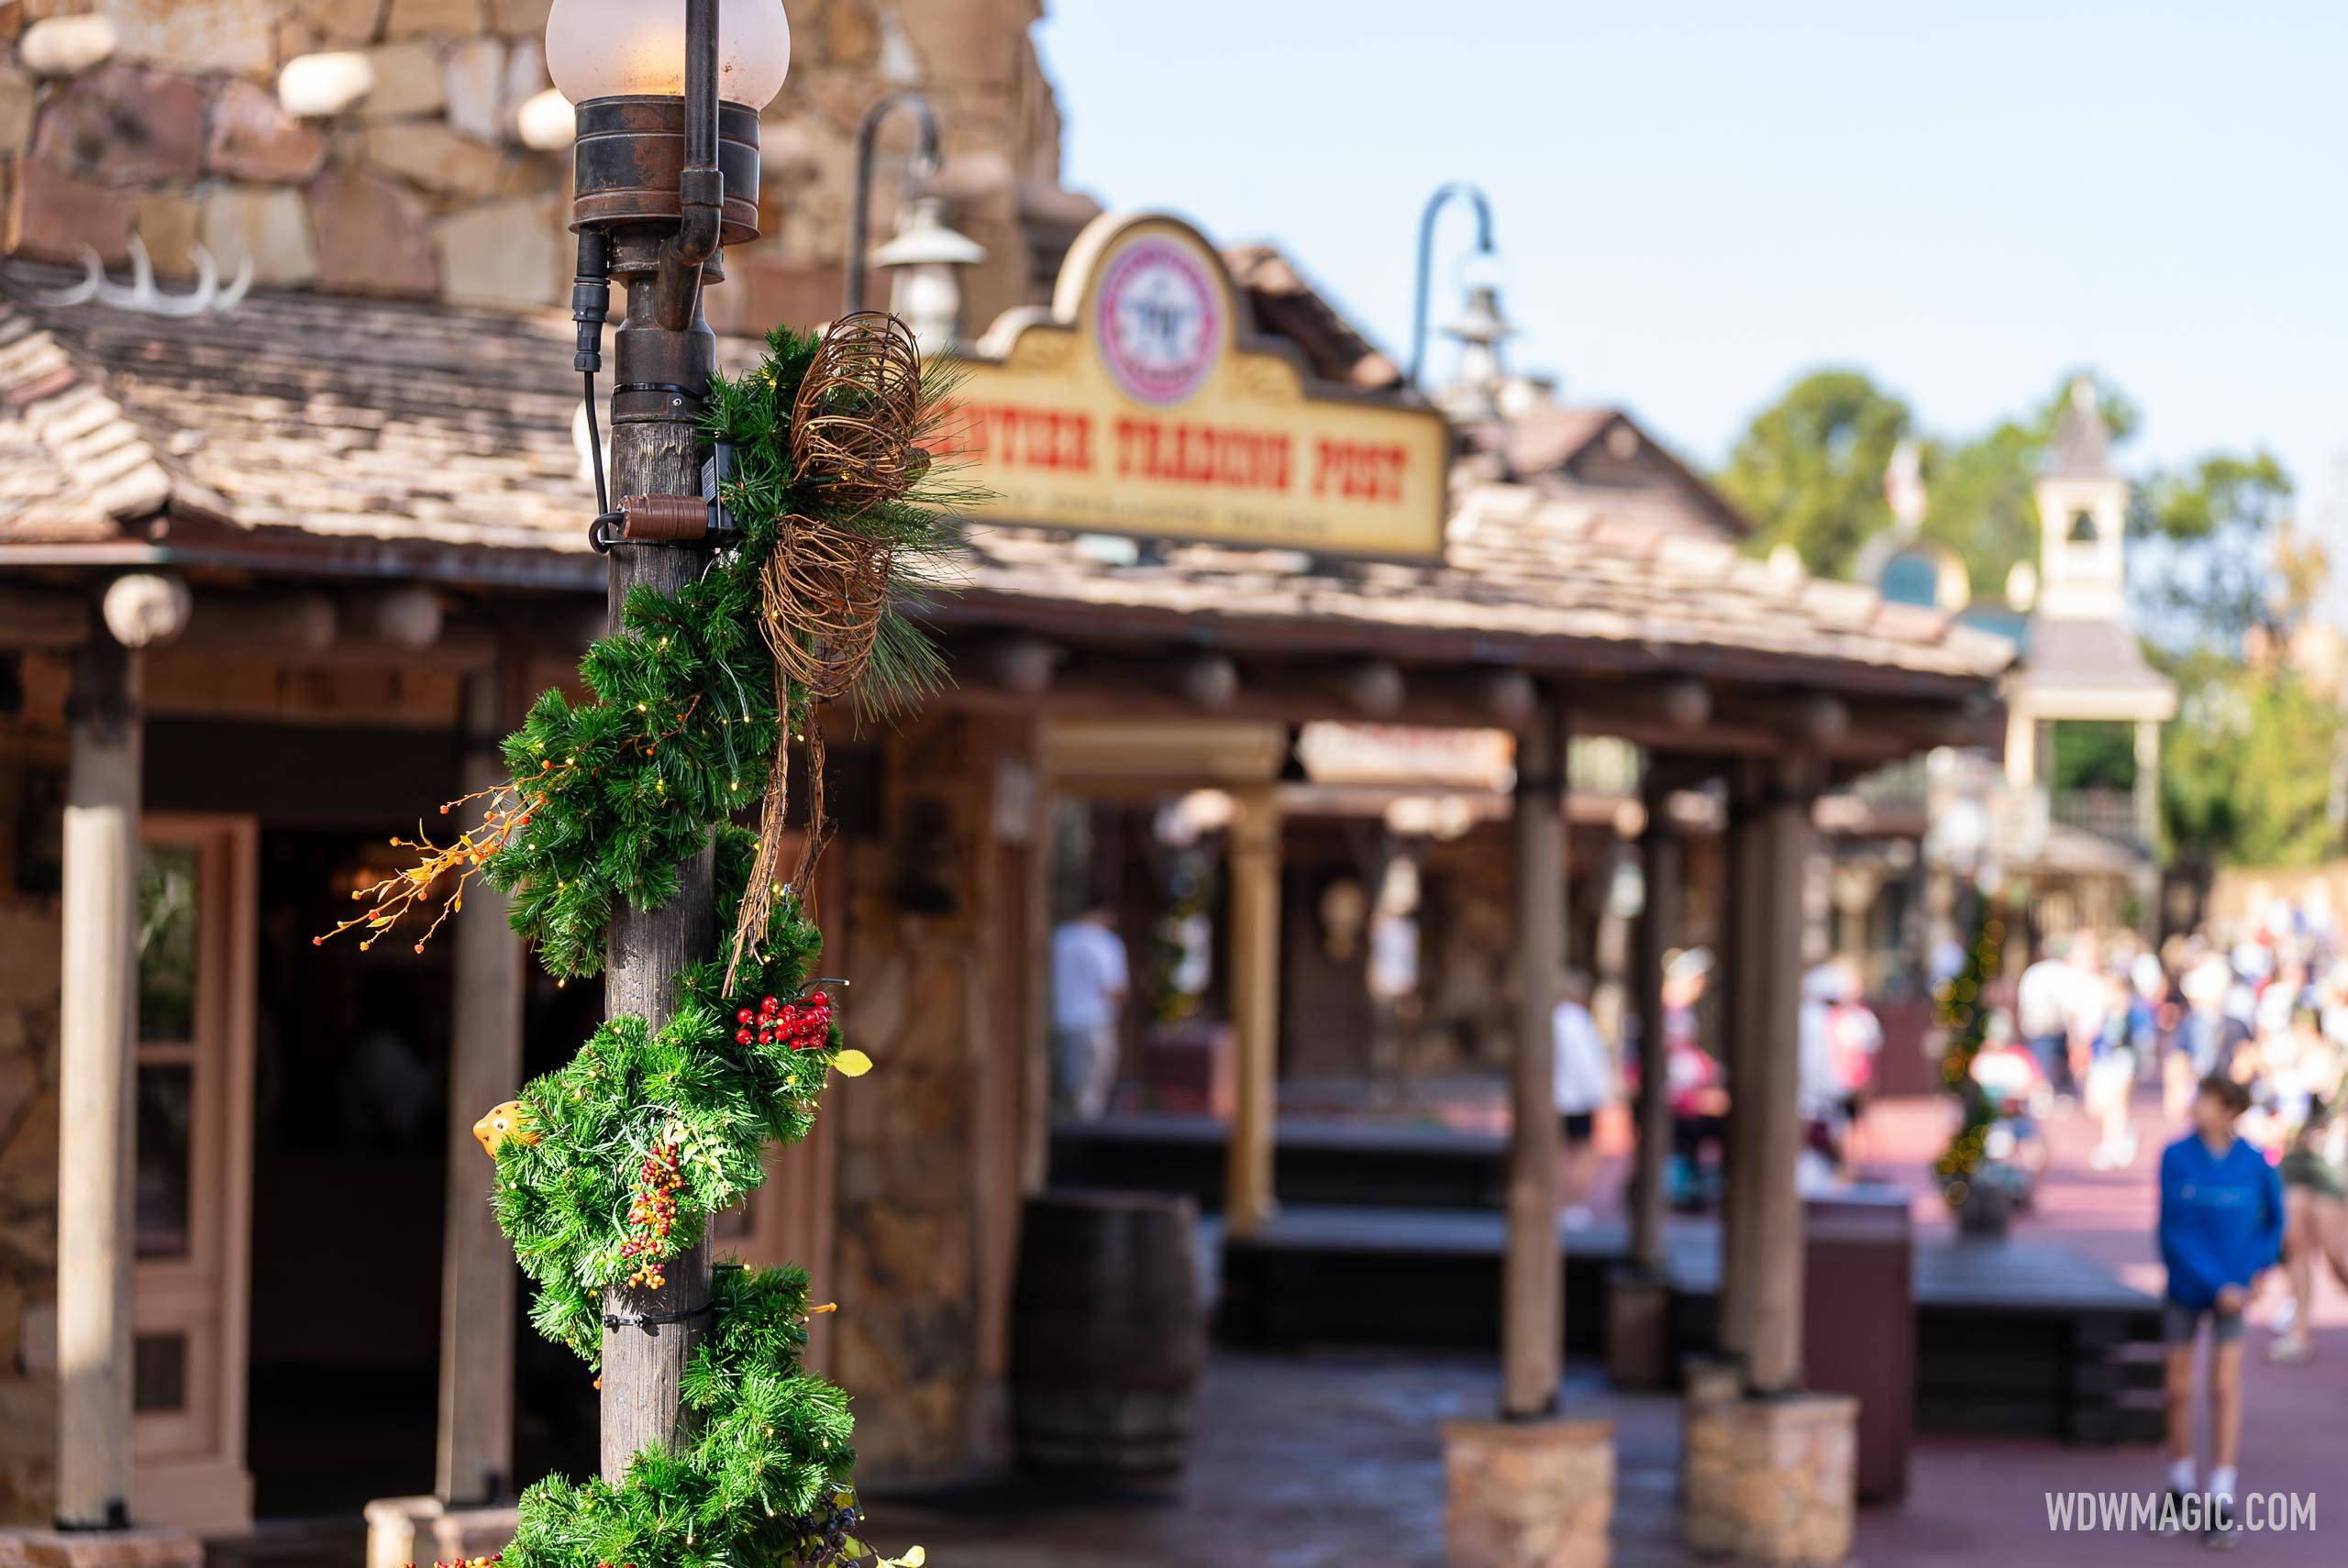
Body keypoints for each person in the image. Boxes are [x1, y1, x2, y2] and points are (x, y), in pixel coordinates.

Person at [2156, 1074, 2285, 1548]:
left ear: (2230, 1110)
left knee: (2224, 1387)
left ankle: (2221, 1494)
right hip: (2188, 1289)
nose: (2198, 1107)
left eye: (2208, 1101)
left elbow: (2274, 1220)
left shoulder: (2253, 1163)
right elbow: (2175, 1230)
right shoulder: (2175, 1158)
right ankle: (2181, 1484)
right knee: (2176, 1387)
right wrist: (2217, 1284)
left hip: (2234, 1290)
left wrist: (2257, 1270)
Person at [1049, 901, 1129, 1120]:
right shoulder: (1105, 943)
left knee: (1068, 1079)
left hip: (1062, 1017)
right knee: (1091, 1088)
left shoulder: (1060, 938)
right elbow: (1113, 987)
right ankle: (1085, 1135)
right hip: (1095, 1018)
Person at [1552, 967, 1612, 1229]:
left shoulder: (1557, 1019)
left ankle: (1562, 1202)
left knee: (1564, 1152)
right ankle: (1573, 1204)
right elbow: (1584, 1064)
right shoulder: (1574, 1020)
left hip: (1560, 1096)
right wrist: (1599, 1093)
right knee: (1581, 1153)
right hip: (1576, 1099)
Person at [2017, 937, 2078, 1101]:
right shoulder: (2060, 972)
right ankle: (2053, 1091)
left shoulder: (2034, 972)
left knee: (2042, 1061)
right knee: (2050, 1061)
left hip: (2038, 1025)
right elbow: (2069, 1003)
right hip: (2051, 1025)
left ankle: (2047, 1091)